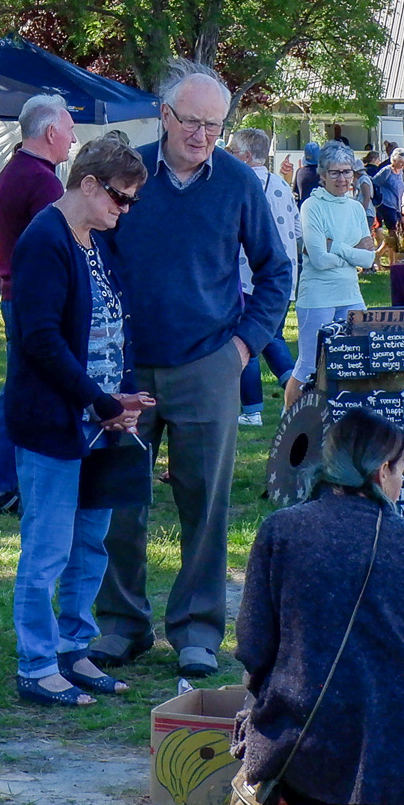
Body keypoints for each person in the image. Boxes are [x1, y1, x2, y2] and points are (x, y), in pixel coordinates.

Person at [94, 63, 290, 679]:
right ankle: (120, 625)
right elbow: (92, 254)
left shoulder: (237, 183)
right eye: (191, 121)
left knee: (204, 503)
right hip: (125, 366)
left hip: (208, 364)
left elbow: (275, 272)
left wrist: (242, 349)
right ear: (164, 116)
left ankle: (198, 631)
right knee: (119, 499)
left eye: (214, 124)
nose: (202, 135)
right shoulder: (126, 177)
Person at [236, 410, 404, 805]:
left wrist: (263, 701)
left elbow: (253, 644)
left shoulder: (280, 530)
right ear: (383, 470)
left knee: (311, 768)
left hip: (309, 733)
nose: (400, 483)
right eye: (401, 471)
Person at [3, 136, 154, 706]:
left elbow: (115, 324)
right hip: (56, 420)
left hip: (102, 417)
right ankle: (37, 664)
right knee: (47, 549)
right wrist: (100, 400)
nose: (126, 210)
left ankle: (73, 649)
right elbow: (39, 339)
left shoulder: (98, 240)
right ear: (87, 184)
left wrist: (122, 397)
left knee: (91, 544)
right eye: (120, 198)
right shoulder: (46, 239)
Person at [0, 95, 77, 515]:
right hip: (32, 301)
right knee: (28, 390)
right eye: (70, 130)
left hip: (15, 296)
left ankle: (5, 483)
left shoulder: (16, 170)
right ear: (51, 132)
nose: (73, 140)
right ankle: (5, 485)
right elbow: (55, 247)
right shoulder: (43, 182)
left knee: (20, 387)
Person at [286, 144, 376, 412]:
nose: (342, 179)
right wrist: (351, 252)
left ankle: (339, 417)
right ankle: (288, 419)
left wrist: (334, 245)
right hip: (317, 296)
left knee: (355, 358)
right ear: (322, 175)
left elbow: (368, 259)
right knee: (309, 363)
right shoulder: (311, 206)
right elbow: (318, 259)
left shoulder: (356, 208)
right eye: (335, 173)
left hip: (351, 294)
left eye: (347, 172)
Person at [228, 128, 303, 427]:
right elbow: (297, 230)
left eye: (233, 152)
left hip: (248, 276)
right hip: (283, 277)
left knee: (246, 338)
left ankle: (253, 409)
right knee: (272, 336)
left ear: (246, 156)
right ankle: (296, 391)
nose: (229, 157)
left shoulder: (239, 183)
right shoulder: (282, 186)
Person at [372, 149, 404, 252]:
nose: (402, 164)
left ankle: (380, 254)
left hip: (397, 205)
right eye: (400, 162)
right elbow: (374, 182)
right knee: (393, 232)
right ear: (393, 160)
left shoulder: (400, 171)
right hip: (387, 205)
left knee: (396, 232)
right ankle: (386, 255)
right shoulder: (387, 171)